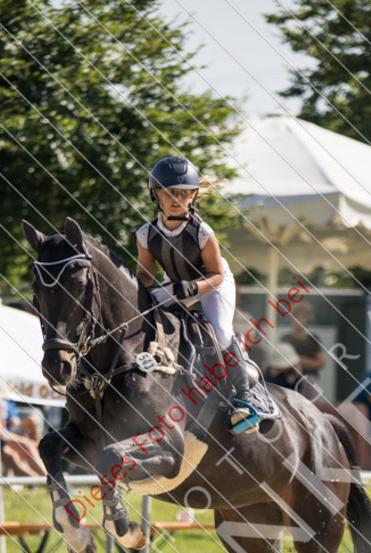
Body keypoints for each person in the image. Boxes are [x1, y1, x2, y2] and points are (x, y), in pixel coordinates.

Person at [136, 155, 260, 434]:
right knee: (139, 316)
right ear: (156, 194)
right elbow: (145, 274)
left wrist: (194, 287)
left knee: (221, 332)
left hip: (213, 284)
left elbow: (216, 274)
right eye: (170, 192)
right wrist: (138, 290)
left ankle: (244, 398)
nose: (176, 199)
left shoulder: (202, 232)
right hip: (175, 285)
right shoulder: (145, 234)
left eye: (184, 193)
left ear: (193, 196)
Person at [282, 302, 325, 390]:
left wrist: (300, 360)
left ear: (308, 319)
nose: (299, 320)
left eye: (303, 317)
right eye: (296, 317)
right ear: (291, 319)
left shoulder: (313, 339)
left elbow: (321, 362)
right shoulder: (285, 339)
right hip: (290, 380)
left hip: (310, 379)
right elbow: (282, 362)